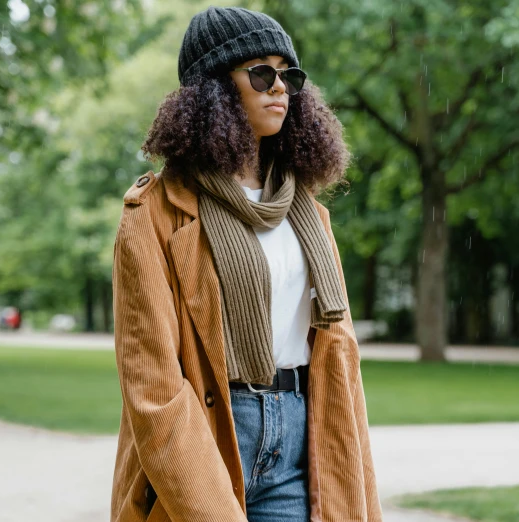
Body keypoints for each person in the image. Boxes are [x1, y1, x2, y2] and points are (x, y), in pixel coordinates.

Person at [110, 6, 382, 522]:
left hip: (302, 439)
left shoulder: (310, 215)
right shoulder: (155, 215)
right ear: (212, 89)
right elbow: (154, 389)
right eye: (261, 72)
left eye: (289, 74)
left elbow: (340, 360)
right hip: (208, 440)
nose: (279, 87)